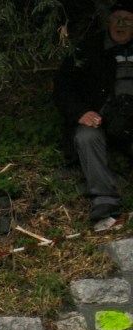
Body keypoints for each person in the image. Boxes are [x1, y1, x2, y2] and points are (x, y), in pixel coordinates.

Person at [55, 1, 133, 223]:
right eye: (117, 19)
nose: (121, 25)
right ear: (108, 21)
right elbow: (63, 86)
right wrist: (80, 112)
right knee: (85, 137)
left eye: (127, 20)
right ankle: (105, 201)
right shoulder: (89, 48)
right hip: (100, 118)